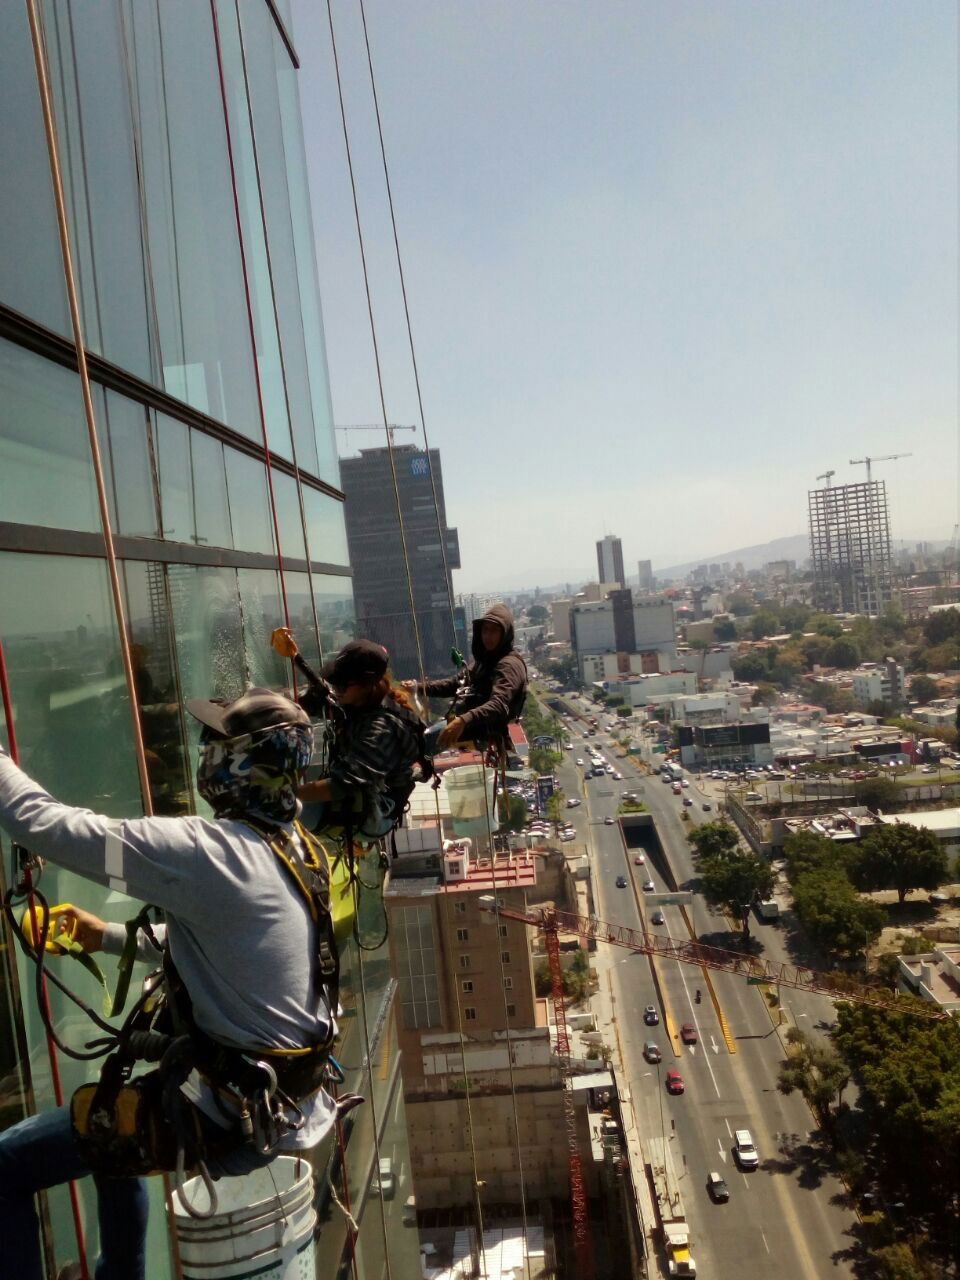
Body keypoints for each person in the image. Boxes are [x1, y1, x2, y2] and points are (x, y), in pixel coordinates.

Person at [0, 688, 342, 1280]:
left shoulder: (210, 854)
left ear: (237, 762)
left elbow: (46, 826)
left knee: (6, 1164)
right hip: (281, 1105)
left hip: (225, 1112)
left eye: (214, 743)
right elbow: (235, 942)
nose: (203, 751)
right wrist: (106, 934)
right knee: (113, 1138)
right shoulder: (296, 847)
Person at [272, 630, 425, 839]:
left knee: (278, 810)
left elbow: (341, 785)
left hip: (374, 812)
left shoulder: (380, 729)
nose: (336, 688)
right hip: (358, 792)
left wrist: (282, 795)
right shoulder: (359, 701)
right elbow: (314, 702)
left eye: (342, 684)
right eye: (335, 682)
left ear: (366, 685)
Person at [404, 604, 527, 752]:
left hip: (484, 730)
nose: (487, 636)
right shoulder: (485, 661)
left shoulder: (508, 665)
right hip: (471, 724)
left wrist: (463, 720)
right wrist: (419, 687)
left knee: (420, 743)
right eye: (485, 630)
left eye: (494, 631)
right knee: (412, 737)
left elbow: (499, 704)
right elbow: (455, 684)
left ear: (505, 634)